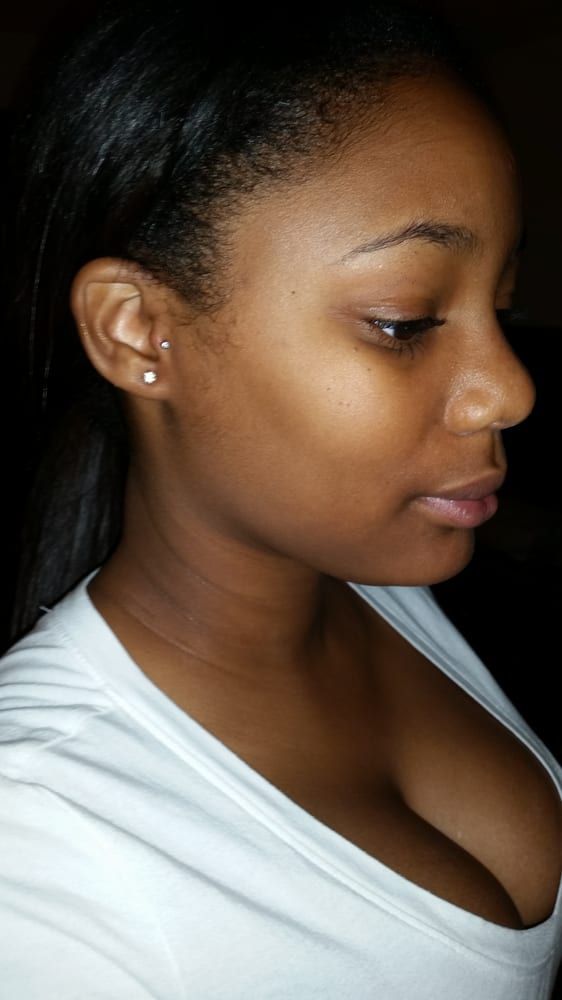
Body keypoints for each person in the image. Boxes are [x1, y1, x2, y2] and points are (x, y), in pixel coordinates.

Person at [1, 1, 560, 996]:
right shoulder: (37, 851)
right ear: (137, 332)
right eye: (405, 321)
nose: (508, 387)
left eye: (500, 304)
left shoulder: (382, 590)